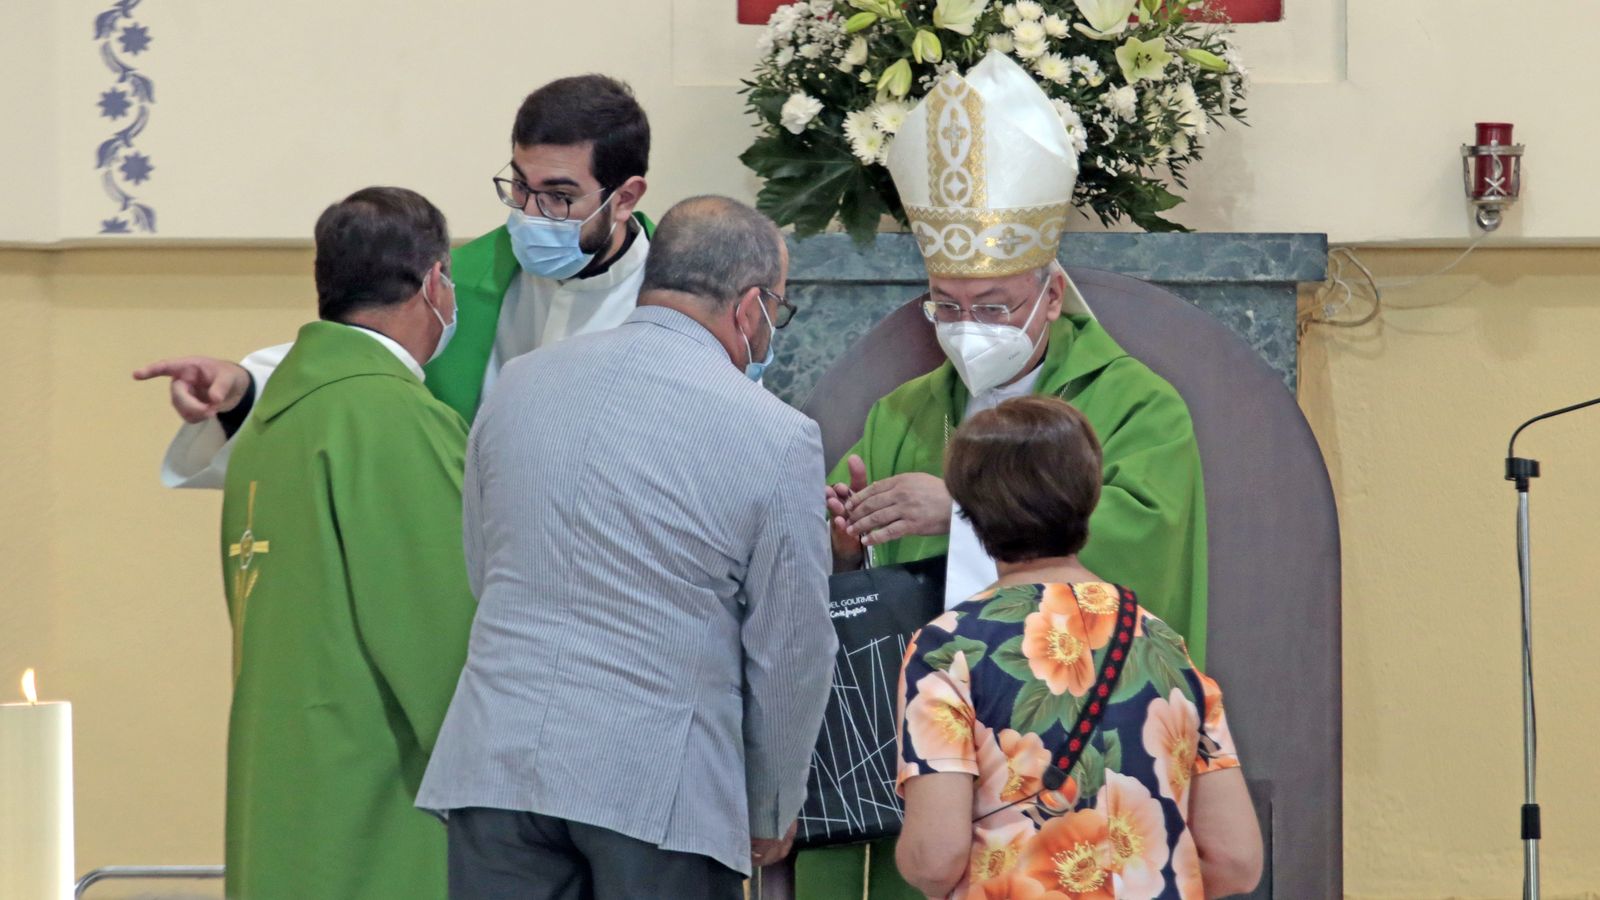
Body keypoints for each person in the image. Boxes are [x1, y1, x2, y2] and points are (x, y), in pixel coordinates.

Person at [803, 52, 1209, 899]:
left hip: (1079, 763)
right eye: (945, 305)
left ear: (1052, 296)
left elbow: (1146, 552)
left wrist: (957, 507)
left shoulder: (1140, 406)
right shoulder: (903, 414)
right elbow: (880, 608)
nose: (966, 328)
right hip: (935, 764)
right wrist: (849, 554)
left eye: (992, 307)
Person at [415, 195, 838, 900]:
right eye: (778, 312)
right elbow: (791, 647)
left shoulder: (519, 385)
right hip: (655, 785)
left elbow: (485, 568)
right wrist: (768, 806)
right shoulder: (775, 434)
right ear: (750, 305)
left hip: (495, 762)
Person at [135, 74, 654, 486]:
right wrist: (239, 389)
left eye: (559, 197)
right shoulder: (455, 283)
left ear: (626, 198)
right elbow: (353, 365)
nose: (531, 214)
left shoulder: (679, 301)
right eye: (520, 186)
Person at [894, 396, 1261, 900]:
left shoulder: (949, 648)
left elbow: (935, 859)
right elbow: (1237, 861)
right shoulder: (1164, 644)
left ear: (971, 509)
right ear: (1090, 495)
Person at [218, 187, 478, 899]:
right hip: (376, 808)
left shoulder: (269, 428)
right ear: (433, 282)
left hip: (285, 795)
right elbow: (443, 639)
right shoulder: (392, 419)